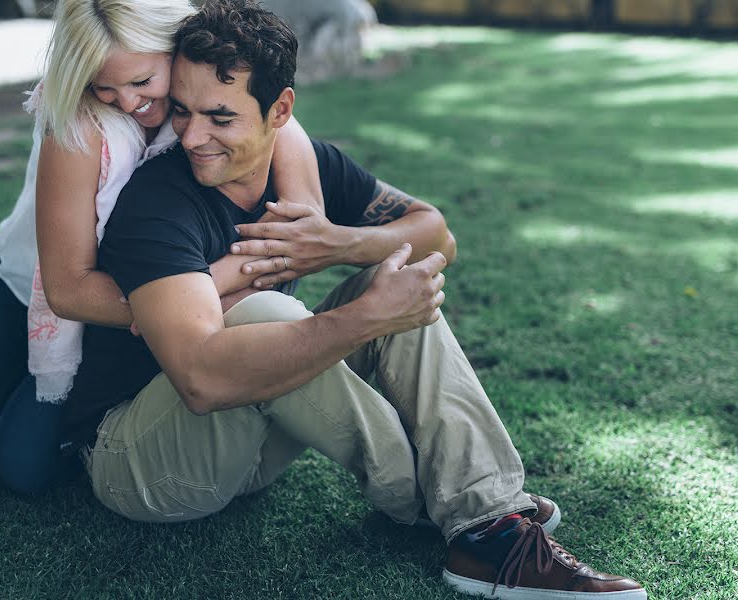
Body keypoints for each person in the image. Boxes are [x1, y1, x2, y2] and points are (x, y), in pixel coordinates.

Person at [66, 1, 649, 598]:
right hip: (143, 463)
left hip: (252, 448)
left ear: (280, 111)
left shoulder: (310, 163)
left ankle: (483, 517)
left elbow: (436, 234)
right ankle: (464, 509)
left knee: (393, 282)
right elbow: (199, 379)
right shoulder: (157, 204)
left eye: (220, 117)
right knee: (267, 314)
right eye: (184, 112)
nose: (191, 136)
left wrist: (343, 243)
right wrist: (363, 318)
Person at [0, 0, 323, 495]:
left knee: (23, 467)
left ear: (177, 51)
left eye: (142, 81)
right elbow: (68, 291)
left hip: (129, 299)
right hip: (30, 284)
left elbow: (301, 213)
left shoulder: (213, 107)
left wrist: (184, 298)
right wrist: (184, 298)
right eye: (104, 85)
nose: (126, 102)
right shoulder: (77, 123)